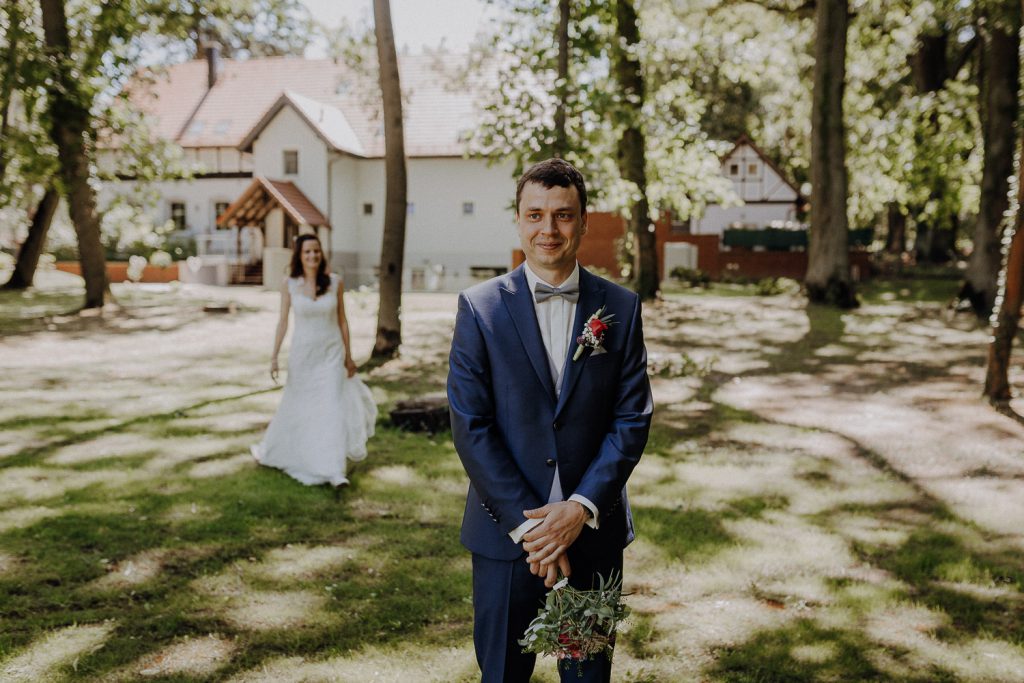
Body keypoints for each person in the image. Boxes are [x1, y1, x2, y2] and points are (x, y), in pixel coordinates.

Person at [447, 158, 653, 682]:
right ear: (518, 219)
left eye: (563, 215)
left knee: (587, 677)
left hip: (592, 536)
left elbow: (631, 418)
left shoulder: (621, 308)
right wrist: (533, 530)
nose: (549, 229)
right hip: (506, 537)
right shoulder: (479, 308)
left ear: (583, 221)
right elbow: (471, 425)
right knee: (503, 675)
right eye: (535, 214)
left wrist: (579, 509)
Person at [251, 233, 377, 487]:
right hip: (303, 356)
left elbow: (343, 321)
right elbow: (283, 321)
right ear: (299, 255)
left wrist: (349, 356)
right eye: (307, 251)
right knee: (301, 407)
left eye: (316, 251)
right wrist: (274, 357)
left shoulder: (335, 282)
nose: (313, 256)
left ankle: (334, 470)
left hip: (331, 354)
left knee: (331, 406)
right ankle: (300, 455)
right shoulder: (289, 283)